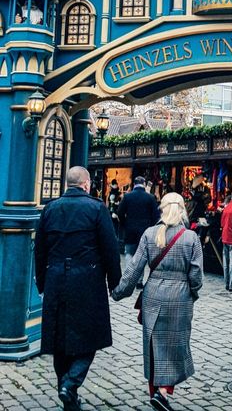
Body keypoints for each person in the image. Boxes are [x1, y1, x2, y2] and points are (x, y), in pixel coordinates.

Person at [34, 166, 121, 411]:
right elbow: (110, 249)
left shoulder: (50, 209)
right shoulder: (96, 208)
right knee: (91, 336)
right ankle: (70, 384)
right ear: (86, 184)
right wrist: (114, 283)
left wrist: (42, 282)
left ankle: (66, 388)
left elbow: (40, 251)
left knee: (58, 338)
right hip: (88, 280)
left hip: (56, 279)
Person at [112, 193, 203, 411]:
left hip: (153, 295)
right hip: (180, 297)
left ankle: (155, 392)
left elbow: (134, 269)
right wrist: (193, 292)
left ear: (161, 209)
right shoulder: (191, 237)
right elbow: (197, 274)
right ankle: (163, 392)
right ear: (182, 210)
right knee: (175, 346)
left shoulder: (149, 233)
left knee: (153, 346)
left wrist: (118, 291)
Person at [118, 176, 160, 290]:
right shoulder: (150, 198)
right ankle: (139, 281)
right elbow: (156, 216)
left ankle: (128, 278)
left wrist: (124, 223)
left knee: (129, 253)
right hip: (145, 231)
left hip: (130, 230)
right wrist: (151, 228)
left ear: (134, 184)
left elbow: (120, 212)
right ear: (144, 184)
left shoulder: (127, 197)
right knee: (142, 256)